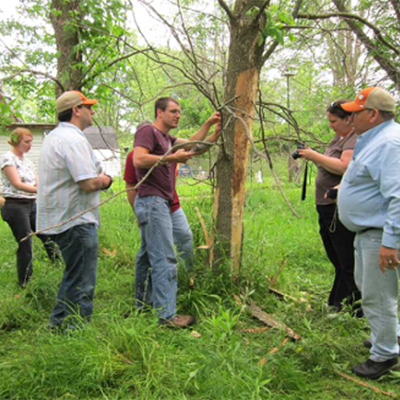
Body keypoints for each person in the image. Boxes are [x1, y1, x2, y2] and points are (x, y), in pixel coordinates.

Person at [133, 97, 220, 328]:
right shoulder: (147, 131)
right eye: (173, 111)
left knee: (146, 256)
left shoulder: (167, 138)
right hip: (152, 201)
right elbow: (139, 159)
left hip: (164, 203)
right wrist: (171, 158)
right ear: (159, 112)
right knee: (164, 258)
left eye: (179, 111)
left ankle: (142, 304)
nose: (178, 115)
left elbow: (194, 146)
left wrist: (211, 127)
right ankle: (167, 316)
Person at [338, 87, 400, 379]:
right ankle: (387, 336)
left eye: (355, 113)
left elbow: (398, 196)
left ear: (373, 114)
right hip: (368, 232)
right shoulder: (373, 139)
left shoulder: (390, 143)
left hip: (380, 234)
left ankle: (385, 354)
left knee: (378, 296)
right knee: (370, 288)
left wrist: (391, 241)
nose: (350, 118)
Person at [37, 90, 113, 330]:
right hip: (75, 220)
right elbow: (88, 182)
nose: (93, 111)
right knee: (82, 279)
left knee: (73, 274)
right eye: (88, 107)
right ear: (76, 110)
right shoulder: (73, 139)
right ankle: (75, 330)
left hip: (60, 218)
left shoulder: (54, 137)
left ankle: (57, 323)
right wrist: (106, 180)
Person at [298, 101, 361, 314]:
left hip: (337, 207)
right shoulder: (340, 137)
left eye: (334, 121)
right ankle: (339, 302)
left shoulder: (353, 138)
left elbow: (345, 167)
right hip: (325, 206)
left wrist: (313, 155)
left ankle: (353, 306)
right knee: (337, 258)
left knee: (346, 258)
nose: (331, 125)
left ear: (349, 119)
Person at [1, 128, 59, 287]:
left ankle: (59, 268)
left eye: (31, 141)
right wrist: (41, 190)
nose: (30, 145)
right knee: (25, 242)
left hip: (32, 203)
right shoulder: (8, 158)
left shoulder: (28, 162)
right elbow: (17, 184)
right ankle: (25, 282)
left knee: (47, 235)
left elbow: (37, 180)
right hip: (15, 205)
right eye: (26, 142)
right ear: (16, 141)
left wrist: (42, 187)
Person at [124, 140, 194, 271]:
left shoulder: (169, 151)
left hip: (172, 206)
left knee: (185, 236)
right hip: (150, 209)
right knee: (154, 247)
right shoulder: (134, 156)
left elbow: (194, 145)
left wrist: (211, 129)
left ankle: (188, 273)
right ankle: (152, 277)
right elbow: (130, 186)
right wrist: (139, 213)